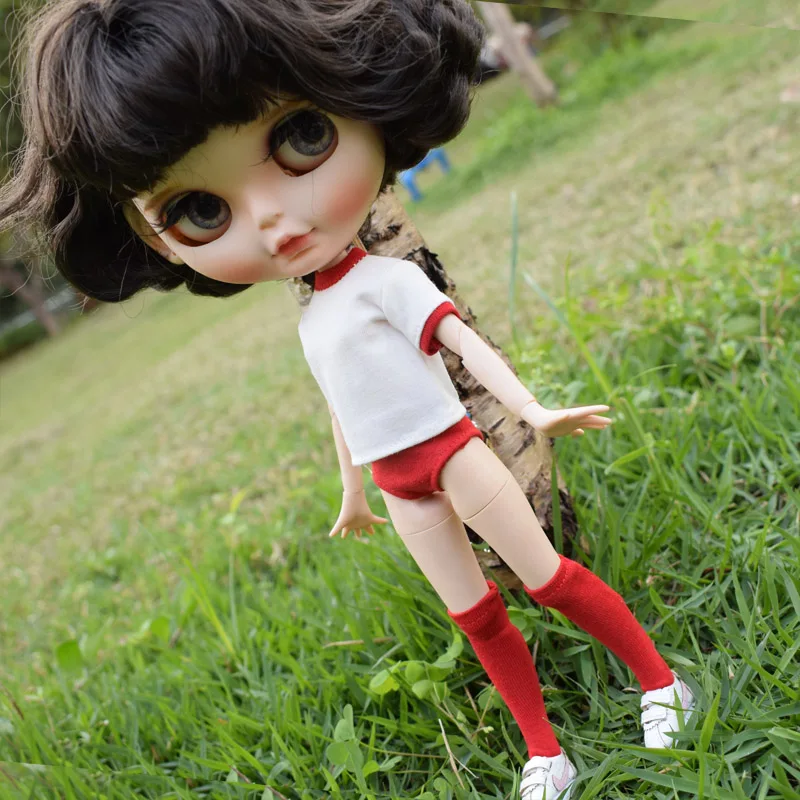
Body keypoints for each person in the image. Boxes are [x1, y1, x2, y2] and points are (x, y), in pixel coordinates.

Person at [0, 1, 696, 797]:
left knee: (546, 575)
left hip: (454, 455)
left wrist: (533, 412)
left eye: (303, 136)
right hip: (398, 486)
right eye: (200, 210)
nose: (270, 220)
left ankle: (658, 682)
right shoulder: (312, 319)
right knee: (475, 617)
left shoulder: (390, 281)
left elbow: (460, 344)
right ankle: (545, 750)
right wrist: (352, 491)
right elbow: (344, 405)